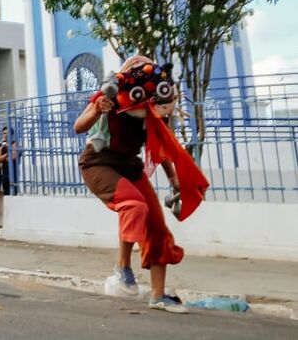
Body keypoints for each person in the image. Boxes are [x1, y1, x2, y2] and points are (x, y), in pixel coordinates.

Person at [74, 55, 208, 314]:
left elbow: (161, 147)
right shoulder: (109, 96)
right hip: (98, 162)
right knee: (134, 205)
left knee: (158, 228)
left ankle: (158, 296)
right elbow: (79, 126)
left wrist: (174, 179)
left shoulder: (154, 109)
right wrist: (96, 109)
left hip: (129, 165)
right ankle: (122, 269)